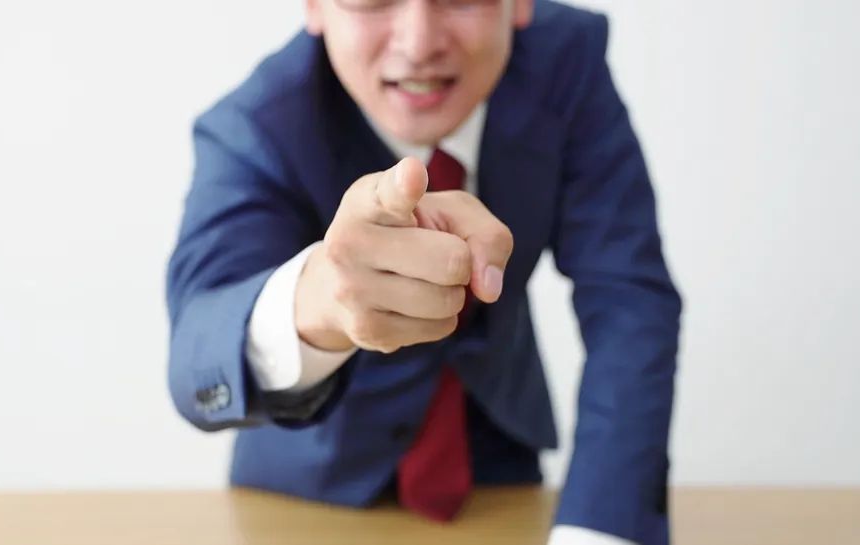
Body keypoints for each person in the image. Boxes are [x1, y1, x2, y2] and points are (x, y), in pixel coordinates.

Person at [165, 1, 681, 544]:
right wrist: (319, 303)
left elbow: (629, 297)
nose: (418, 45)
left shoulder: (566, 61)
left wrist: (600, 527)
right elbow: (197, 353)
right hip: (305, 493)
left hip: (499, 469)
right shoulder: (255, 124)